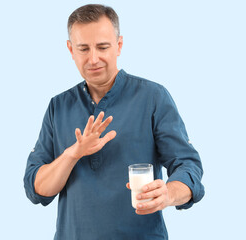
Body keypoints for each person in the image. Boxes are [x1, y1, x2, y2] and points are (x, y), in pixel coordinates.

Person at [24, 4, 204, 240]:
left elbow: (188, 166)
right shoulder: (58, 106)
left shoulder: (153, 97)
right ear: (70, 50)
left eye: (102, 47)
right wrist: (74, 153)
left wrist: (169, 194)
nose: (93, 58)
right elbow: (36, 189)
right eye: (83, 48)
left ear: (119, 46)